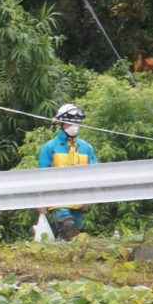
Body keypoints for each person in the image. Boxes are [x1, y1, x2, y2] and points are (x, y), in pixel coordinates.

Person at [38, 103, 98, 240]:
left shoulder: (86, 148)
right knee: (68, 226)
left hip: (79, 200)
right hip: (57, 199)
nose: (74, 126)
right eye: (70, 122)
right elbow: (40, 177)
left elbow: (95, 174)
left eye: (76, 123)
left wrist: (91, 196)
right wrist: (40, 201)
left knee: (74, 236)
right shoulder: (49, 148)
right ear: (61, 124)